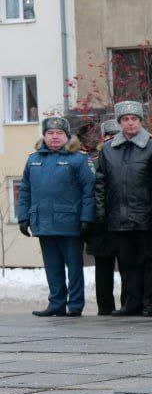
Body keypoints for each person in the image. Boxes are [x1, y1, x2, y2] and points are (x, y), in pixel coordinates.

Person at [93, 101, 152, 316]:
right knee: (127, 263)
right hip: (119, 217)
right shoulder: (108, 149)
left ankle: (150, 303)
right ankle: (131, 302)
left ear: (140, 121)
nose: (130, 123)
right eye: (125, 120)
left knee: (150, 262)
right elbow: (101, 183)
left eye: (134, 119)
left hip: (146, 216)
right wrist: (101, 211)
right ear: (119, 123)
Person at [17, 116, 95, 317]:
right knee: (52, 266)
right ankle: (56, 303)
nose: (54, 137)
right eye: (50, 133)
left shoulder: (79, 159)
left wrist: (87, 218)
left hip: (70, 223)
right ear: (43, 136)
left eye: (59, 133)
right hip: (43, 222)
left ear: (67, 136)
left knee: (74, 267)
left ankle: (75, 304)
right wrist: (23, 217)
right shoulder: (33, 160)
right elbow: (25, 190)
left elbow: (89, 190)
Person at [83, 119, 120, 315]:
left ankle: (130, 306)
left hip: (123, 221)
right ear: (103, 138)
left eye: (116, 136)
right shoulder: (93, 161)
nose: (112, 140)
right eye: (109, 136)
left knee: (129, 268)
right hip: (100, 224)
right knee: (103, 270)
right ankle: (105, 308)